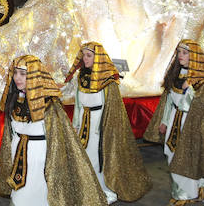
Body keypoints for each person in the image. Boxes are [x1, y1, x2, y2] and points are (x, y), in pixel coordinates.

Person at [0, 55, 107, 206]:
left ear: (34, 76)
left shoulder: (49, 104)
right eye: (15, 73)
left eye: (23, 74)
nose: (17, 78)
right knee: (19, 196)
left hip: (39, 157)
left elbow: (60, 138)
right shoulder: (15, 100)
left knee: (36, 193)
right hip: (18, 153)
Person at [64, 42, 151, 204]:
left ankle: (104, 189)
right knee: (86, 158)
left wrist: (107, 129)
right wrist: (76, 125)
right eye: (83, 55)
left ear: (97, 58)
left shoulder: (107, 81)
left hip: (100, 126)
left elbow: (113, 107)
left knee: (99, 159)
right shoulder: (81, 76)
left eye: (89, 55)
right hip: (84, 123)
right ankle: (88, 189)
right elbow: (78, 103)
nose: (85, 58)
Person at [144, 39, 204, 205]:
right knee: (172, 155)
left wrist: (189, 88)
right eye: (179, 52)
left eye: (185, 53)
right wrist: (164, 121)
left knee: (186, 158)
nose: (181, 56)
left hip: (191, 123)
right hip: (174, 120)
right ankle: (197, 186)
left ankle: (185, 195)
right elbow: (169, 101)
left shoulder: (202, 80)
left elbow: (202, 106)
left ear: (193, 56)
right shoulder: (175, 76)